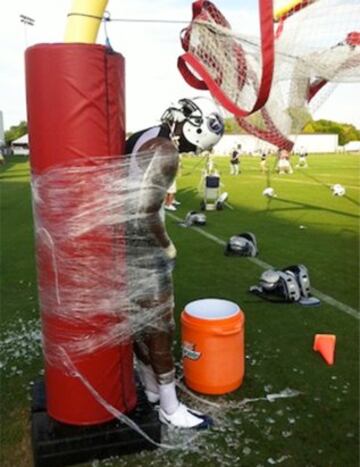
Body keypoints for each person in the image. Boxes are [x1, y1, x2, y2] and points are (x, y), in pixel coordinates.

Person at [125, 96, 224, 428]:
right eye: (196, 147)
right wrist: (167, 247)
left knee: (139, 324)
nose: (192, 153)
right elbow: (144, 212)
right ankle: (169, 407)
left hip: (120, 246)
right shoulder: (165, 150)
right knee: (160, 328)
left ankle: (152, 390)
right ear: (195, 127)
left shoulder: (144, 133)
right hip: (143, 250)